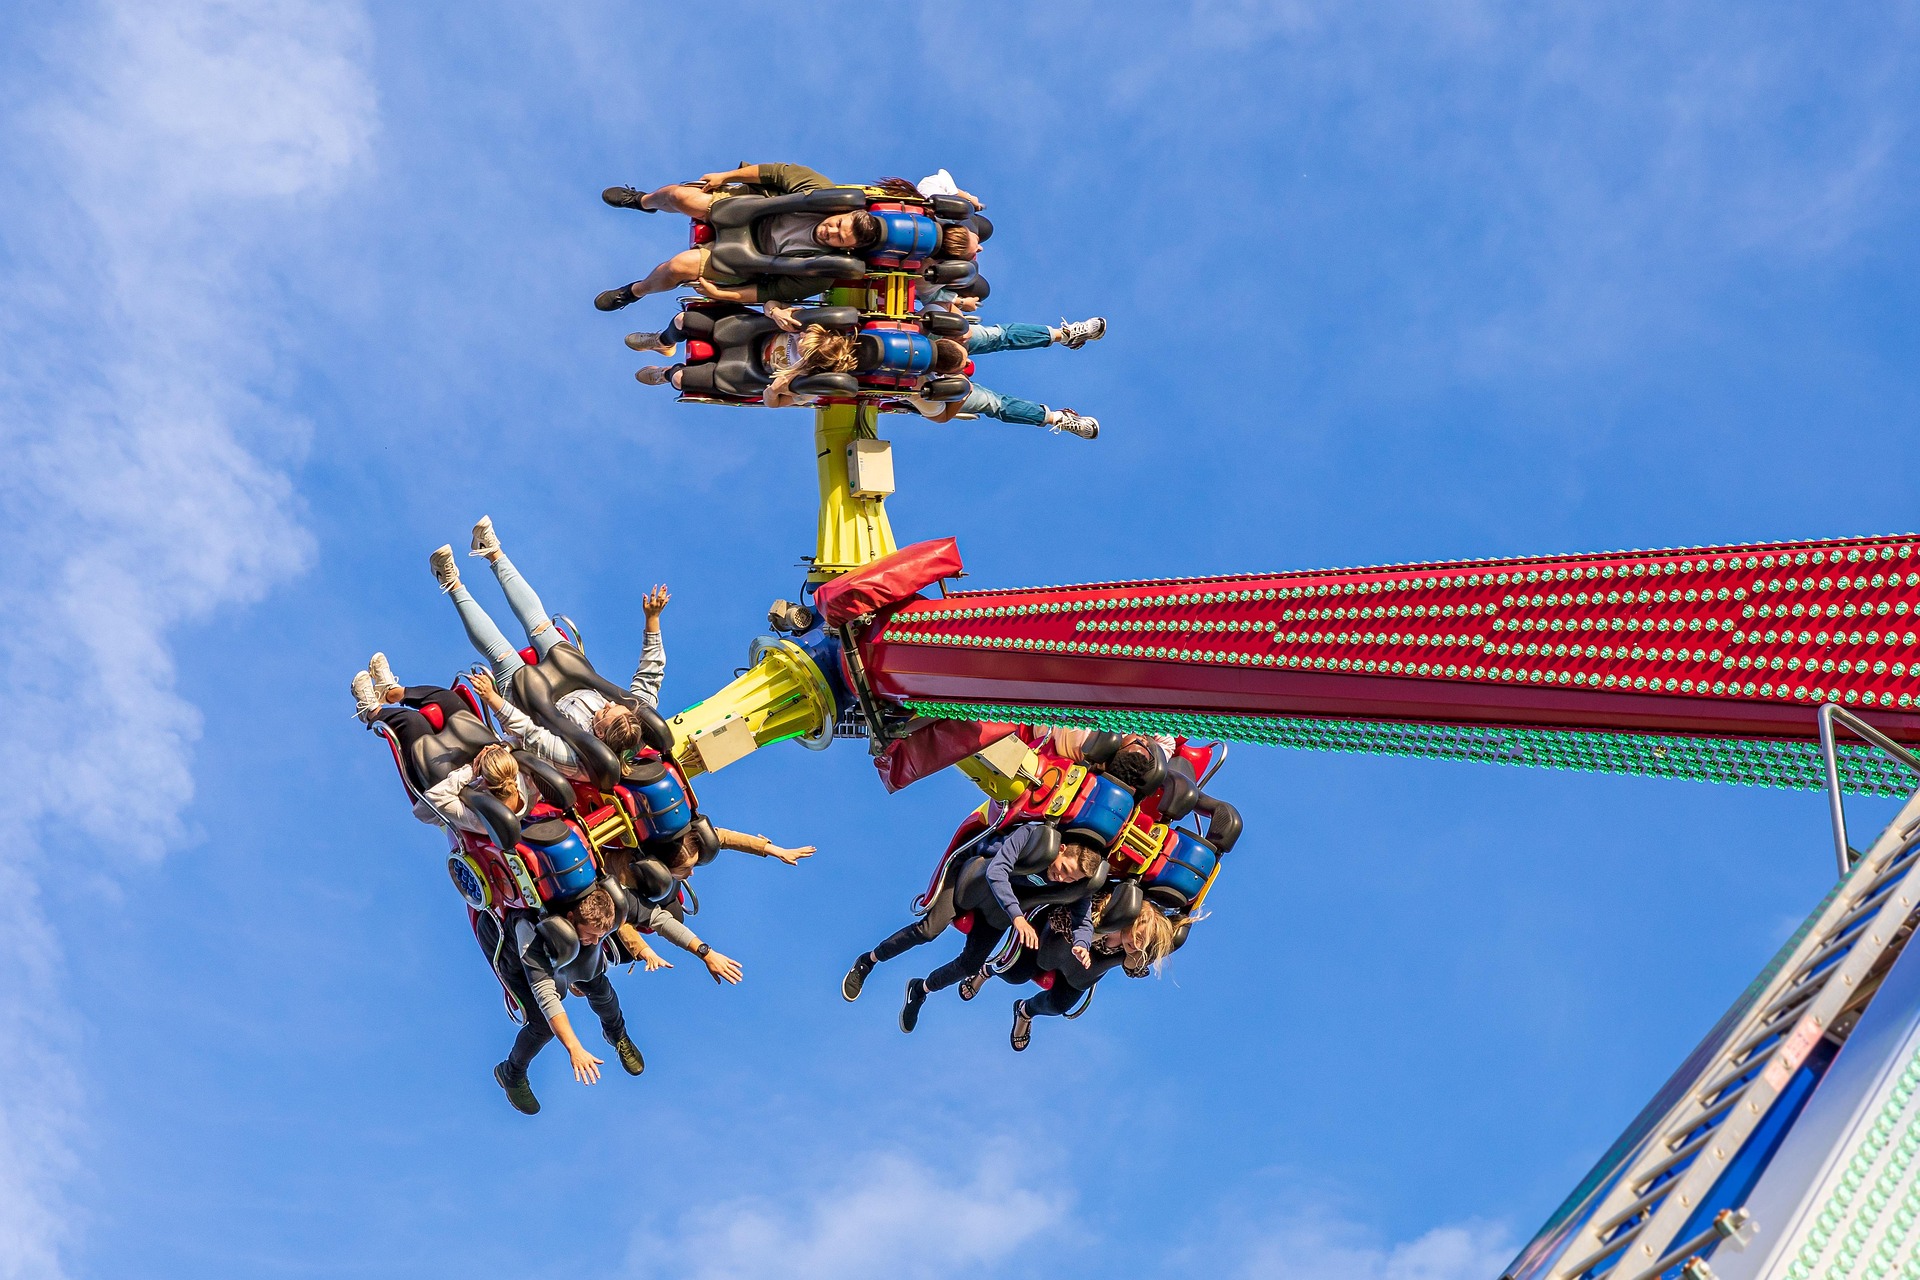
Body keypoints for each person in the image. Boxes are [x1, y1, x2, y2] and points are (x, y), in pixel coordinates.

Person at [430, 516, 667, 773]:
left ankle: (451, 582)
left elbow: (531, 734)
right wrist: (652, 619)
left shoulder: (576, 757)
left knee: (503, 654)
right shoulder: (632, 724)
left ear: (598, 731)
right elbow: (649, 676)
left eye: (606, 711)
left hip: (530, 706)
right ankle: (492, 550)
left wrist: (493, 700)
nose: (608, 703)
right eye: (614, 705)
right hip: (568, 675)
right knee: (541, 625)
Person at [596, 164, 888, 311]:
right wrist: (726, 176)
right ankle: (642, 200)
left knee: (678, 268)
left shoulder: (824, 272)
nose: (831, 231)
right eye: (837, 224)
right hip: (750, 210)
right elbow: (774, 173)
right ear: (842, 213)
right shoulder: (822, 191)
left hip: (749, 256)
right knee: (679, 196)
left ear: (848, 250)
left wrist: (723, 295)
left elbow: (771, 292)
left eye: (839, 239)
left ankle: (635, 291)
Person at [478, 884, 646, 1114]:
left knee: (599, 986)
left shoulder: (589, 904)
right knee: (542, 1025)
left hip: (565, 943)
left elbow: (654, 915)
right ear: (571, 919)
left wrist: (701, 951)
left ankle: (617, 1035)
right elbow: (547, 997)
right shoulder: (529, 930)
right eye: (592, 935)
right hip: (516, 957)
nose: (598, 942)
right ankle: (511, 1072)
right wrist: (574, 1048)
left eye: (600, 936)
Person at [1006, 898, 1177, 1051]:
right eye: (1138, 936)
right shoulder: (1102, 908)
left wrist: (1136, 956)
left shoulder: (1134, 949)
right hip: (1050, 946)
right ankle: (987, 971)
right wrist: (1093, 934)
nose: (1137, 943)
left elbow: (1136, 972)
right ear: (1132, 919)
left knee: (1058, 1005)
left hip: (1078, 973)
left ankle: (1025, 1012)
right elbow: (1058, 918)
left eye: (1143, 943)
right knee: (1015, 975)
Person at [904, 318, 1106, 439]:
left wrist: (960, 328)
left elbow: (936, 310)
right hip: (929, 380)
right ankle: (1057, 418)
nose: (968, 365)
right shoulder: (918, 385)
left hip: (927, 344)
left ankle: (1065, 335)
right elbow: (941, 416)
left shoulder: (922, 329)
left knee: (996, 336)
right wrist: (960, 396)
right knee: (993, 403)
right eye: (963, 364)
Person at [626, 300, 858, 405]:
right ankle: (663, 341)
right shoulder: (801, 328)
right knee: (681, 320)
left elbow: (774, 403)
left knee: (679, 380)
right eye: (806, 335)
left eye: (805, 342)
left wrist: (774, 391)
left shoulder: (806, 386)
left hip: (745, 370)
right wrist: (775, 311)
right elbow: (769, 304)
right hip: (743, 334)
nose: (802, 336)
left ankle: (664, 373)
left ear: (810, 357)